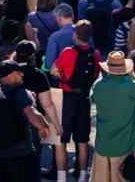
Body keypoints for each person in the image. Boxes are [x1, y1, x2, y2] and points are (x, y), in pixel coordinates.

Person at [89, 51, 135, 182]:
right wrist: (133, 75)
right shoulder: (130, 86)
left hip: (102, 144)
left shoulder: (98, 85)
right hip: (124, 145)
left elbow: (92, 99)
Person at [49, 20, 99, 182]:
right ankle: (83, 176)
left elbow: (53, 70)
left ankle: (62, 178)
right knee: (83, 140)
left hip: (66, 99)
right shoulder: (95, 54)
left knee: (61, 140)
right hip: (84, 99)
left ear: (75, 34)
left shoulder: (68, 52)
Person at [0, 60, 51, 182]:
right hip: (23, 156)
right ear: (9, 76)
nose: (22, 74)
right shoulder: (21, 93)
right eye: (18, 72)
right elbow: (33, 116)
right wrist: (45, 126)